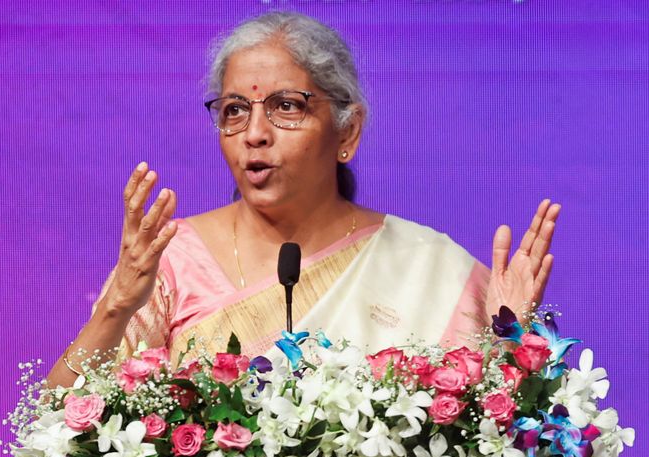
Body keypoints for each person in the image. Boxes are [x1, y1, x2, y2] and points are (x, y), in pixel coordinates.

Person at [47, 11, 559, 389]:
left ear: (348, 131)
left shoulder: (428, 268)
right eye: (233, 111)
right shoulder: (170, 259)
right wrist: (116, 307)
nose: (255, 133)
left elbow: (495, 453)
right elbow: (59, 433)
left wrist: (511, 342)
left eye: (286, 107)